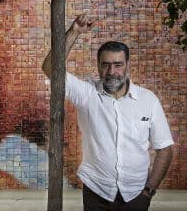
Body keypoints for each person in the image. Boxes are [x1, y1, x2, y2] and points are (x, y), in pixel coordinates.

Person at [42, 15, 174, 211]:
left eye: (118, 64)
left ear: (127, 66)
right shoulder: (87, 94)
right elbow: (50, 68)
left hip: (136, 194)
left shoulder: (148, 100)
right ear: (98, 66)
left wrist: (148, 192)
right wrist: (74, 32)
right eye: (106, 65)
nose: (112, 71)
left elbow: (165, 149)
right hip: (97, 192)